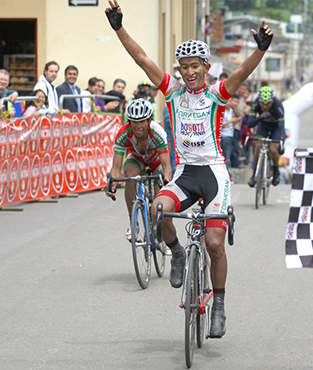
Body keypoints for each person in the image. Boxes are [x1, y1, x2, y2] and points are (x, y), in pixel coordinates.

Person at [105, 0, 273, 338]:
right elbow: (142, 59)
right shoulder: (171, 92)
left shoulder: (216, 94)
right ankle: (178, 253)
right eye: (184, 67)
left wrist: (260, 51)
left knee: (214, 243)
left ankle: (220, 305)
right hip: (185, 174)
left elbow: (241, 74)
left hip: (213, 174)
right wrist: (118, 28)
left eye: (195, 66)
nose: (189, 72)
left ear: (206, 67)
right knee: (156, 209)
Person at [106, 98, 172, 240]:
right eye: (134, 122)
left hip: (156, 161)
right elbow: (116, 168)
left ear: (149, 121)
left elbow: (167, 166)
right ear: (129, 122)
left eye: (142, 121)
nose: (138, 126)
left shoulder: (158, 132)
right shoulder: (124, 133)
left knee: (159, 193)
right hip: (137, 159)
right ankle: (133, 223)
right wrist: (113, 183)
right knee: (129, 176)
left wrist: (166, 180)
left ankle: (161, 229)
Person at [247, 86, 285, 187]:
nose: (264, 106)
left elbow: (281, 126)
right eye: (262, 103)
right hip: (263, 126)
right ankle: (254, 174)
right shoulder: (255, 103)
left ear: (272, 101)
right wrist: (259, 118)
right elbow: (250, 124)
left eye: (267, 103)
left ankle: (276, 171)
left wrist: (281, 141)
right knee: (258, 146)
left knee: (273, 150)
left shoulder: (278, 105)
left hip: (276, 128)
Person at [221, 94, 240, 182]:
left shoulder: (231, 110)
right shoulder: (221, 111)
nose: (229, 103)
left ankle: (227, 175)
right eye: (228, 101)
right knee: (225, 157)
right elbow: (219, 125)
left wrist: (235, 121)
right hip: (223, 136)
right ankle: (226, 176)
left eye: (230, 101)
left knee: (227, 157)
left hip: (230, 135)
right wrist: (231, 121)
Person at [163, 106, 176, 176]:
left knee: (172, 160)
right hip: (172, 138)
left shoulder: (166, 108)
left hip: (170, 137)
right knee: (173, 161)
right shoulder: (169, 108)